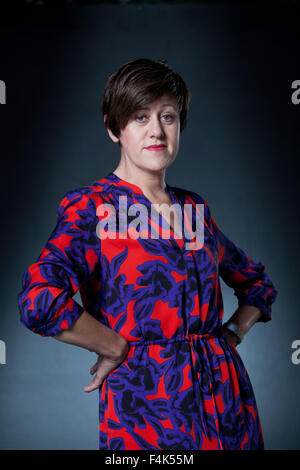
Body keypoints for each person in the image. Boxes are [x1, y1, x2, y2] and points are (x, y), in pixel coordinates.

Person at [17, 57, 278, 450]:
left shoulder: (195, 209)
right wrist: (113, 345)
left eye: (168, 117)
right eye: (140, 117)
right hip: (148, 411)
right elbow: (39, 301)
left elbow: (258, 284)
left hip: (227, 405)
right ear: (113, 128)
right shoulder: (92, 208)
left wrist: (231, 334)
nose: (156, 130)